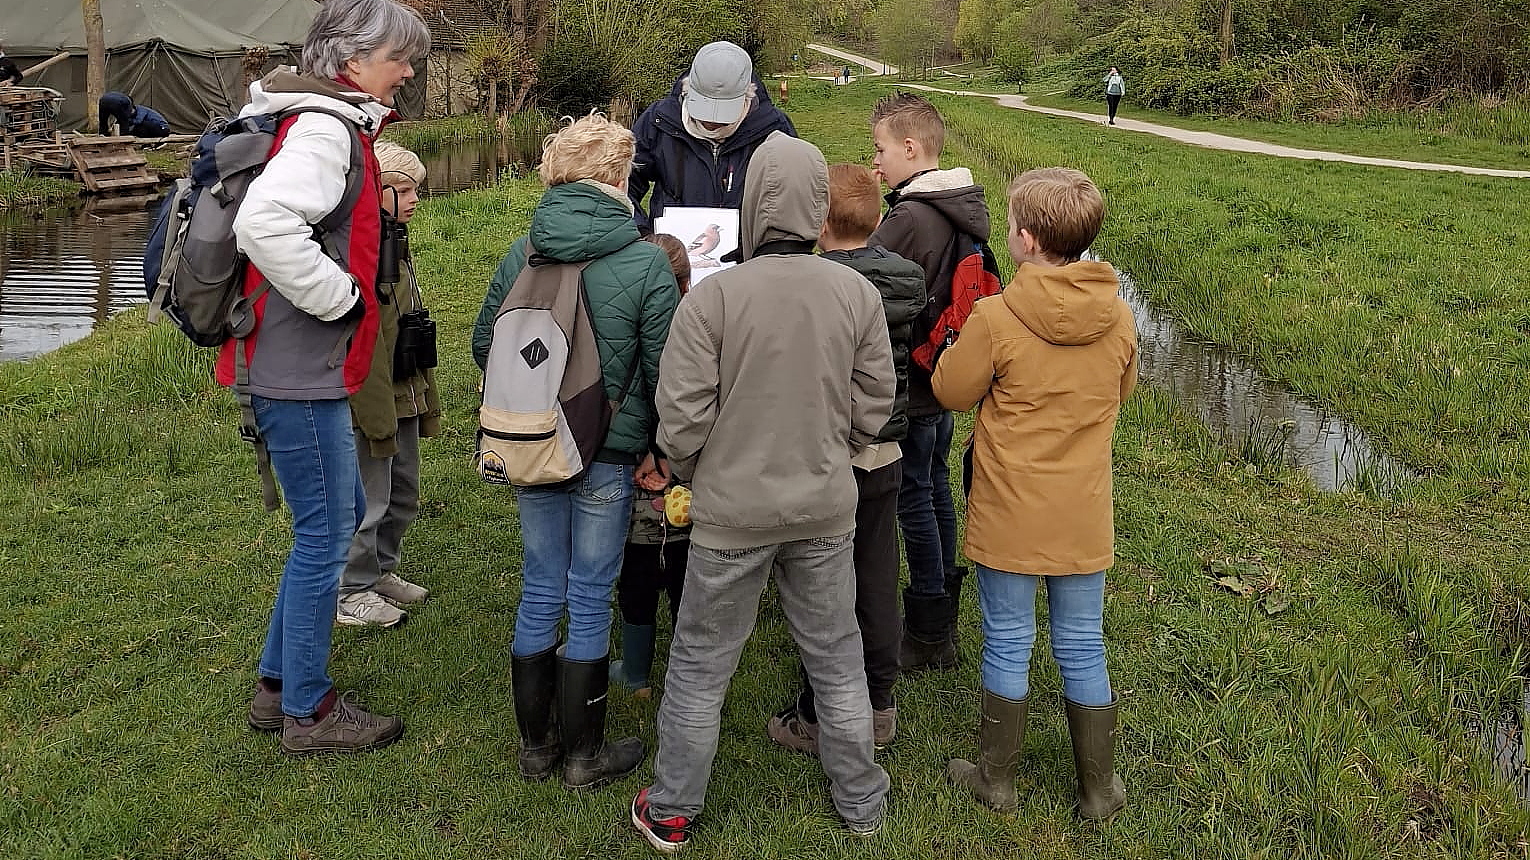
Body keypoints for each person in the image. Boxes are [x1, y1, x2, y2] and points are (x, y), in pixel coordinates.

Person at [631, 132, 896, 853]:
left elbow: (680, 419)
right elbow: (875, 401)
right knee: (836, 655)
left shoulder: (713, 299)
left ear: (750, 205)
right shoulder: (856, 294)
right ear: (818, 209)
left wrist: (698, 471)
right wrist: (836, 449)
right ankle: (862, 801)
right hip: (825, 506)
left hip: (729, 515)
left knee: (700, 663)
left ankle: (673, 808)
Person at [231, 0, 430, 756]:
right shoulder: (322, 130)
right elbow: (264, 223)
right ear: (351, 61)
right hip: (297, 369)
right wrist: (339, 297)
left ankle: (277, 684)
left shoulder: (327, 121)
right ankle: (309, 712)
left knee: (335, 516)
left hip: (297, 364)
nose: (406, 71)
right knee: (323, 535)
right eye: (397, 57)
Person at [472, 113, 678, 791]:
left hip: (533, 443)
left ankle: (536, 750)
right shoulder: (646, 260)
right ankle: (584, 757)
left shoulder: (522, 252)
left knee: (540, 586)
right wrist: (655, 446)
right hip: (607, 454)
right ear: (619, 179)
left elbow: (485, 343)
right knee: (590, 594)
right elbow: (666, 371)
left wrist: (538, 391)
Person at [932, 167, 1137, 819]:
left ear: (1024, 239)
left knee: (1008, 637)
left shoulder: (995, 317)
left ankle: (996, 780)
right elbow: (1122, 390)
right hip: (1081, 510)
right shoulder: (1119, 316)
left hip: (1009, 508)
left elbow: (951, 392)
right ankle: (1099, 791)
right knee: (1081, 640)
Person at [766, 163, 924, 755]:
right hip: (884, 449)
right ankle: (879, 703)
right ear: (878, 219)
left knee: (821, 587)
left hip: (825, 451)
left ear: (819, 223)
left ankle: (817, 712)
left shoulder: (817, 285)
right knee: (878, 576)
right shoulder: (907, 280)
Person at [867, 92, 992, 672]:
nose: (876, 163)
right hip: (943, 369)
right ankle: (940, 610)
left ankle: (927, 627)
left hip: (911, 378)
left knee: (912, 496)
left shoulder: (910, 217)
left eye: (881, 150)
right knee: (935, 486)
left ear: (911, 148)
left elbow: (863, 277)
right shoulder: (958, 203)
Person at [335, 140, 441, 629]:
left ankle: (380, 570)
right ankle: (350, 590)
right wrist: (373, 410)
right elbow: (363, 339)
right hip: (373, 395)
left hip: (403, 386)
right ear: (374, 189)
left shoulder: (398, 242)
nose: (415, 198)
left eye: (417, 188)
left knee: (404, 491)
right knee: (371, 495)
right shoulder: (361, 251)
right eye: (403, 188)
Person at [609, 232, 692, 698]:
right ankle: (687, 673)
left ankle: (636, 671)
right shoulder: (700, 331)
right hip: (688, 476)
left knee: (637, 569)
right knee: (686, 574)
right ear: (685, 285)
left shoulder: (617, 324)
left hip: (635, 470)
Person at [627, 40, 796, 233]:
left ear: (748, 94)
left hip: (751, 249)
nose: (712, 122)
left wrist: (769, 243)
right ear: (688, 89)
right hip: (669, 249)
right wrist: (641, 233)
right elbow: (621, 184)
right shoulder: (659, 120)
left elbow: (794, 196)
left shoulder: (774, 129)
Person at [96, 92, 171, 137]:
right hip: (113, 102)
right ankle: (122, 139)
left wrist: (126, 121)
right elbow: (124, 120)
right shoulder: (127, 103)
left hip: (162, 128)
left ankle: (104, 134)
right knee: (124, 123)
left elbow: (138, 121)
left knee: (103, 121)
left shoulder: (141, 110)